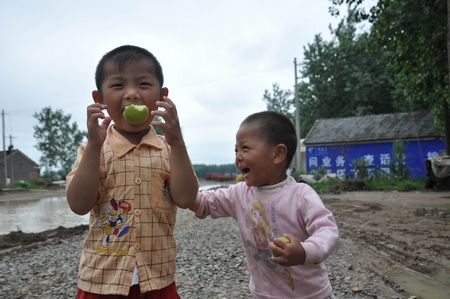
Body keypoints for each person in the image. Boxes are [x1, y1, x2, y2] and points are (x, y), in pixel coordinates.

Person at [66, 45, 198, 298]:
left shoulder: (169, 149)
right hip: (101, 279)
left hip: (158, 278)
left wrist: (178, 141)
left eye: (144, 84)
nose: (132, 94)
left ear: (163, 95)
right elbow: (78, 205)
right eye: (118, 86)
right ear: (99, 99)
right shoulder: (92, 149)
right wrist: (94, 145)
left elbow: (186, 198)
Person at [189, 111, 339, 299]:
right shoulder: (240, 193)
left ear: (277, 154)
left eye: (245, 148)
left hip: (311, 295)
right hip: (265, 294)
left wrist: (303, 252)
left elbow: (327, 230)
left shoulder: (301, 194)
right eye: (236, 150)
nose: (238, 157)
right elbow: (202, 202)